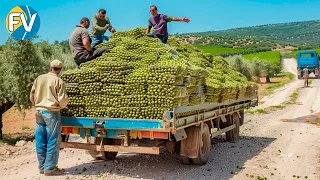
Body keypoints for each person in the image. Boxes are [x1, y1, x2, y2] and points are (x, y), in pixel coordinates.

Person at [30, 60, 70, 176]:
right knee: (53, 139)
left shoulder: (39, 78)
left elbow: (32, 95)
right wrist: (60, 106)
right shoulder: (58, 80)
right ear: (60, 69)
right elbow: (63, 100)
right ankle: (50, 168)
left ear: (50, 67)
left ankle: (42, 167)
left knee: (40, 139)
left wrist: (38, 104)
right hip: (51, 112)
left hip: (39, 111)